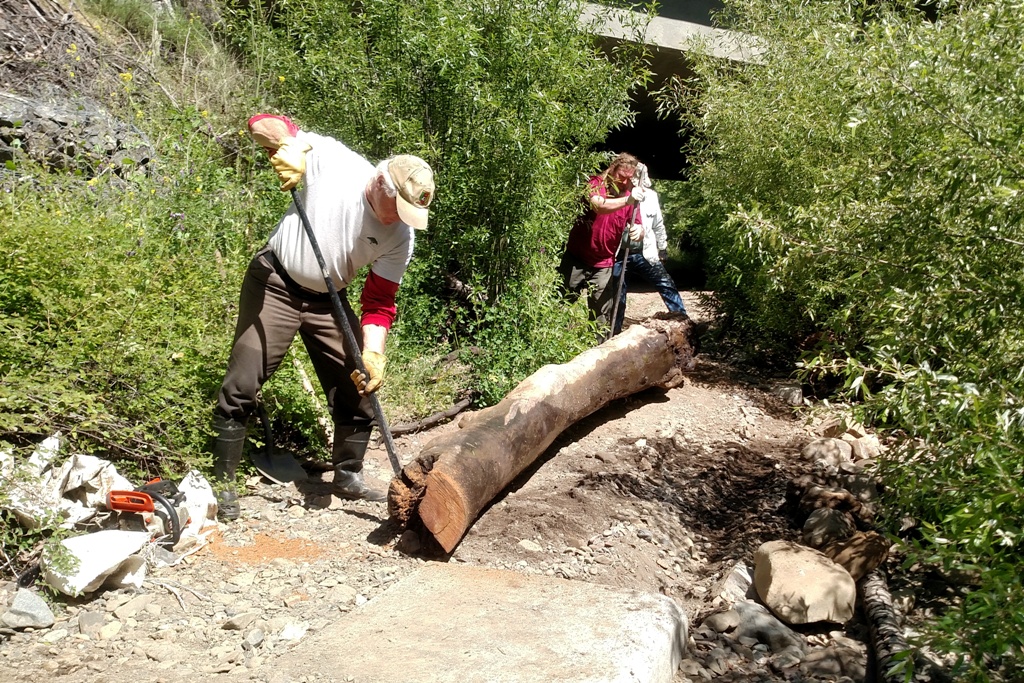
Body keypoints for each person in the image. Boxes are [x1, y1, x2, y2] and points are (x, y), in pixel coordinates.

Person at [211, 113, 435, 520]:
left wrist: (373, 354)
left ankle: (347, 475)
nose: (400, 218)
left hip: (329, 299)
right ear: (381, 183)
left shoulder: (400, 235)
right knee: (242, 382)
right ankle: (223, 485)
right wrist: (288, 147)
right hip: (276, 281)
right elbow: (261, 122)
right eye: (398, 207)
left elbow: (380, 301)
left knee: (358, 385)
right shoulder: (335, 163)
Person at [558, 153, 644, 334]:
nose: (624, 182)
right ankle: (546, 344)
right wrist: (628, 200)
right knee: (559, 304)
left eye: (629, 179)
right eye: (622, 176)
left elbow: (637, 224)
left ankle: (599, 354)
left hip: (604, 265)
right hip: (577, 259)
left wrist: (639, 231)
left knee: (601, 318)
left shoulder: (630, 195)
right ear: (612, 169)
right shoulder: (595, 183)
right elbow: (598, 205)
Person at [611, 186, 687, 334]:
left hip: (646, 252)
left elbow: (658, 224)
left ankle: (683, 323)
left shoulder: (651, 196)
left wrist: (662, 247)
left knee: (666, 284)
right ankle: (613, 332)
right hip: (620, 254)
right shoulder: (616, 193)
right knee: (617, 295)